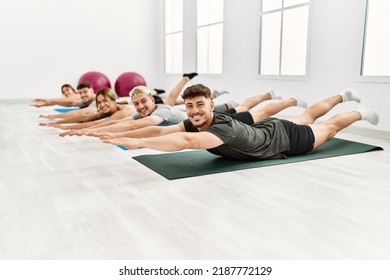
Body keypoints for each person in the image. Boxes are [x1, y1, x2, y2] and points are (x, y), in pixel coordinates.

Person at [102, 84, 379, 160]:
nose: (195, 111)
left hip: (282, 140)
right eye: (190, 107)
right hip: (267, 129)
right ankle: (344, 95)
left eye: (200, 105)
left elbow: (186, 142)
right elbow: (170, 130)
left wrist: (134, 142)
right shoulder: (195, 121)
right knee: (306, 117)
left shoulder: (219, 127)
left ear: (211, 104)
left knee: (327, 129)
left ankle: (359, 111)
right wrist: (135, 136)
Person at [58, 86, 303, 137]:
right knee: (245, 107)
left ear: (152, 99)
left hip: (219, 117)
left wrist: (86, 130)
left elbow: (134, 127)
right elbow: (126, 122)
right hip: (196, 118)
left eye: (144, 102)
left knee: (250, 109)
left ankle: (283, 98)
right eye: (137, 104)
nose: (141, 108)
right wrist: (85, 127)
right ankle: (267, 95)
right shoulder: (139, 113)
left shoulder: (162, 111)